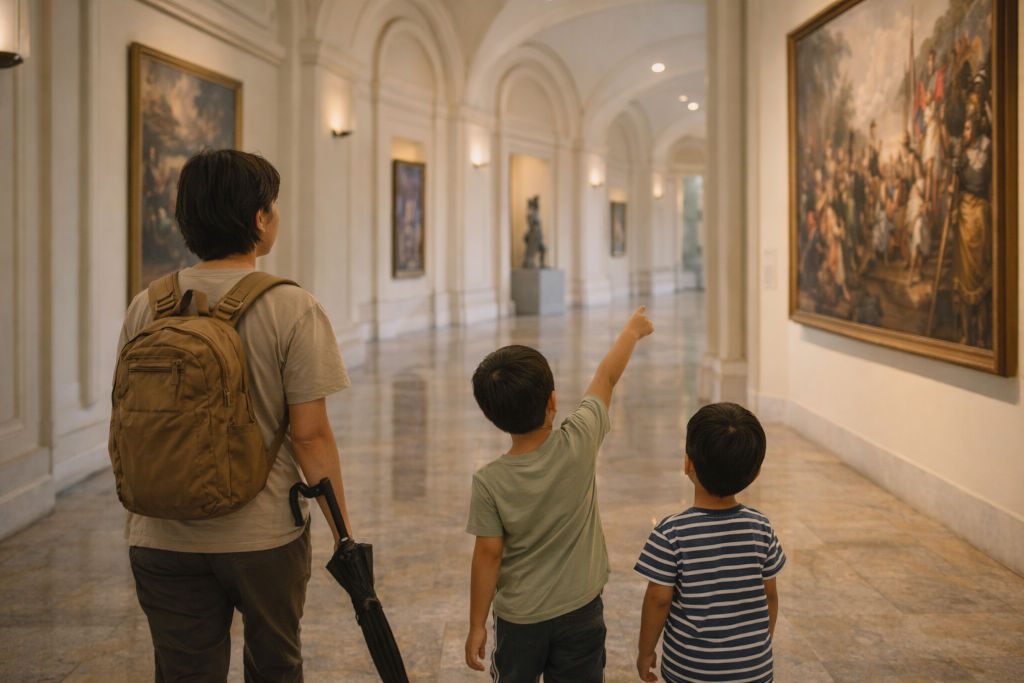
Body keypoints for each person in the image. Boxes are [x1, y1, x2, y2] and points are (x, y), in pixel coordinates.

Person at [117, 149, 353, 681]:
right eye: (273, 206)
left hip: (159, 536)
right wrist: (344, 535)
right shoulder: (292, 308)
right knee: (275, 668)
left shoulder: (146, 306)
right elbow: (310, 437)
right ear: (259, 220)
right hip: (262, 537)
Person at [464, 307, 654, 681]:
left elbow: (488, 555)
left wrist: (477, 625)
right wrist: (631, 331)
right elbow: (607, 376)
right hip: (581, 611)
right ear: (553, 402)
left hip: (520, 620)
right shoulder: (579, 439)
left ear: (491, 417)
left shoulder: (489, 481)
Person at [635, 402, 786, 683]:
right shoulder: (761, 528)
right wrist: (758, 649)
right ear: (755, 474)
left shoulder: (671, 533)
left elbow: (658, 600)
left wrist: (646, 651)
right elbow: (770, 595)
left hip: (691, 671)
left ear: (687, 463)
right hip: (753, 671)